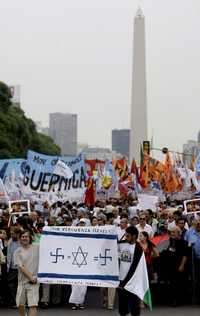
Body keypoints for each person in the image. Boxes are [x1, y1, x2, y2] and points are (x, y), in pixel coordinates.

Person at [118, 226, 143, 316]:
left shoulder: (138, 248)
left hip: (132, 281)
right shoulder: (121, 244)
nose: (126, 237)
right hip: (121, 279)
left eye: (128, 236)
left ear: (134, 236)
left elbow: (134, 268)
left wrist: (125, 282)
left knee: (134, 307)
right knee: (122, 307)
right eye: (125, 235)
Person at [14, 230, 40, 316]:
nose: (24, 238)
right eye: (23, 237)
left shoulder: (37, 248)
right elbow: (21, 267)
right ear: (20, 238)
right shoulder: (17, 251)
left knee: (33, 305)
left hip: (34, 282)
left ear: (30, 238)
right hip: (22, 282)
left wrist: (34, 278)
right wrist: (30, 277)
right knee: (20, 304)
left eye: (26, 236)